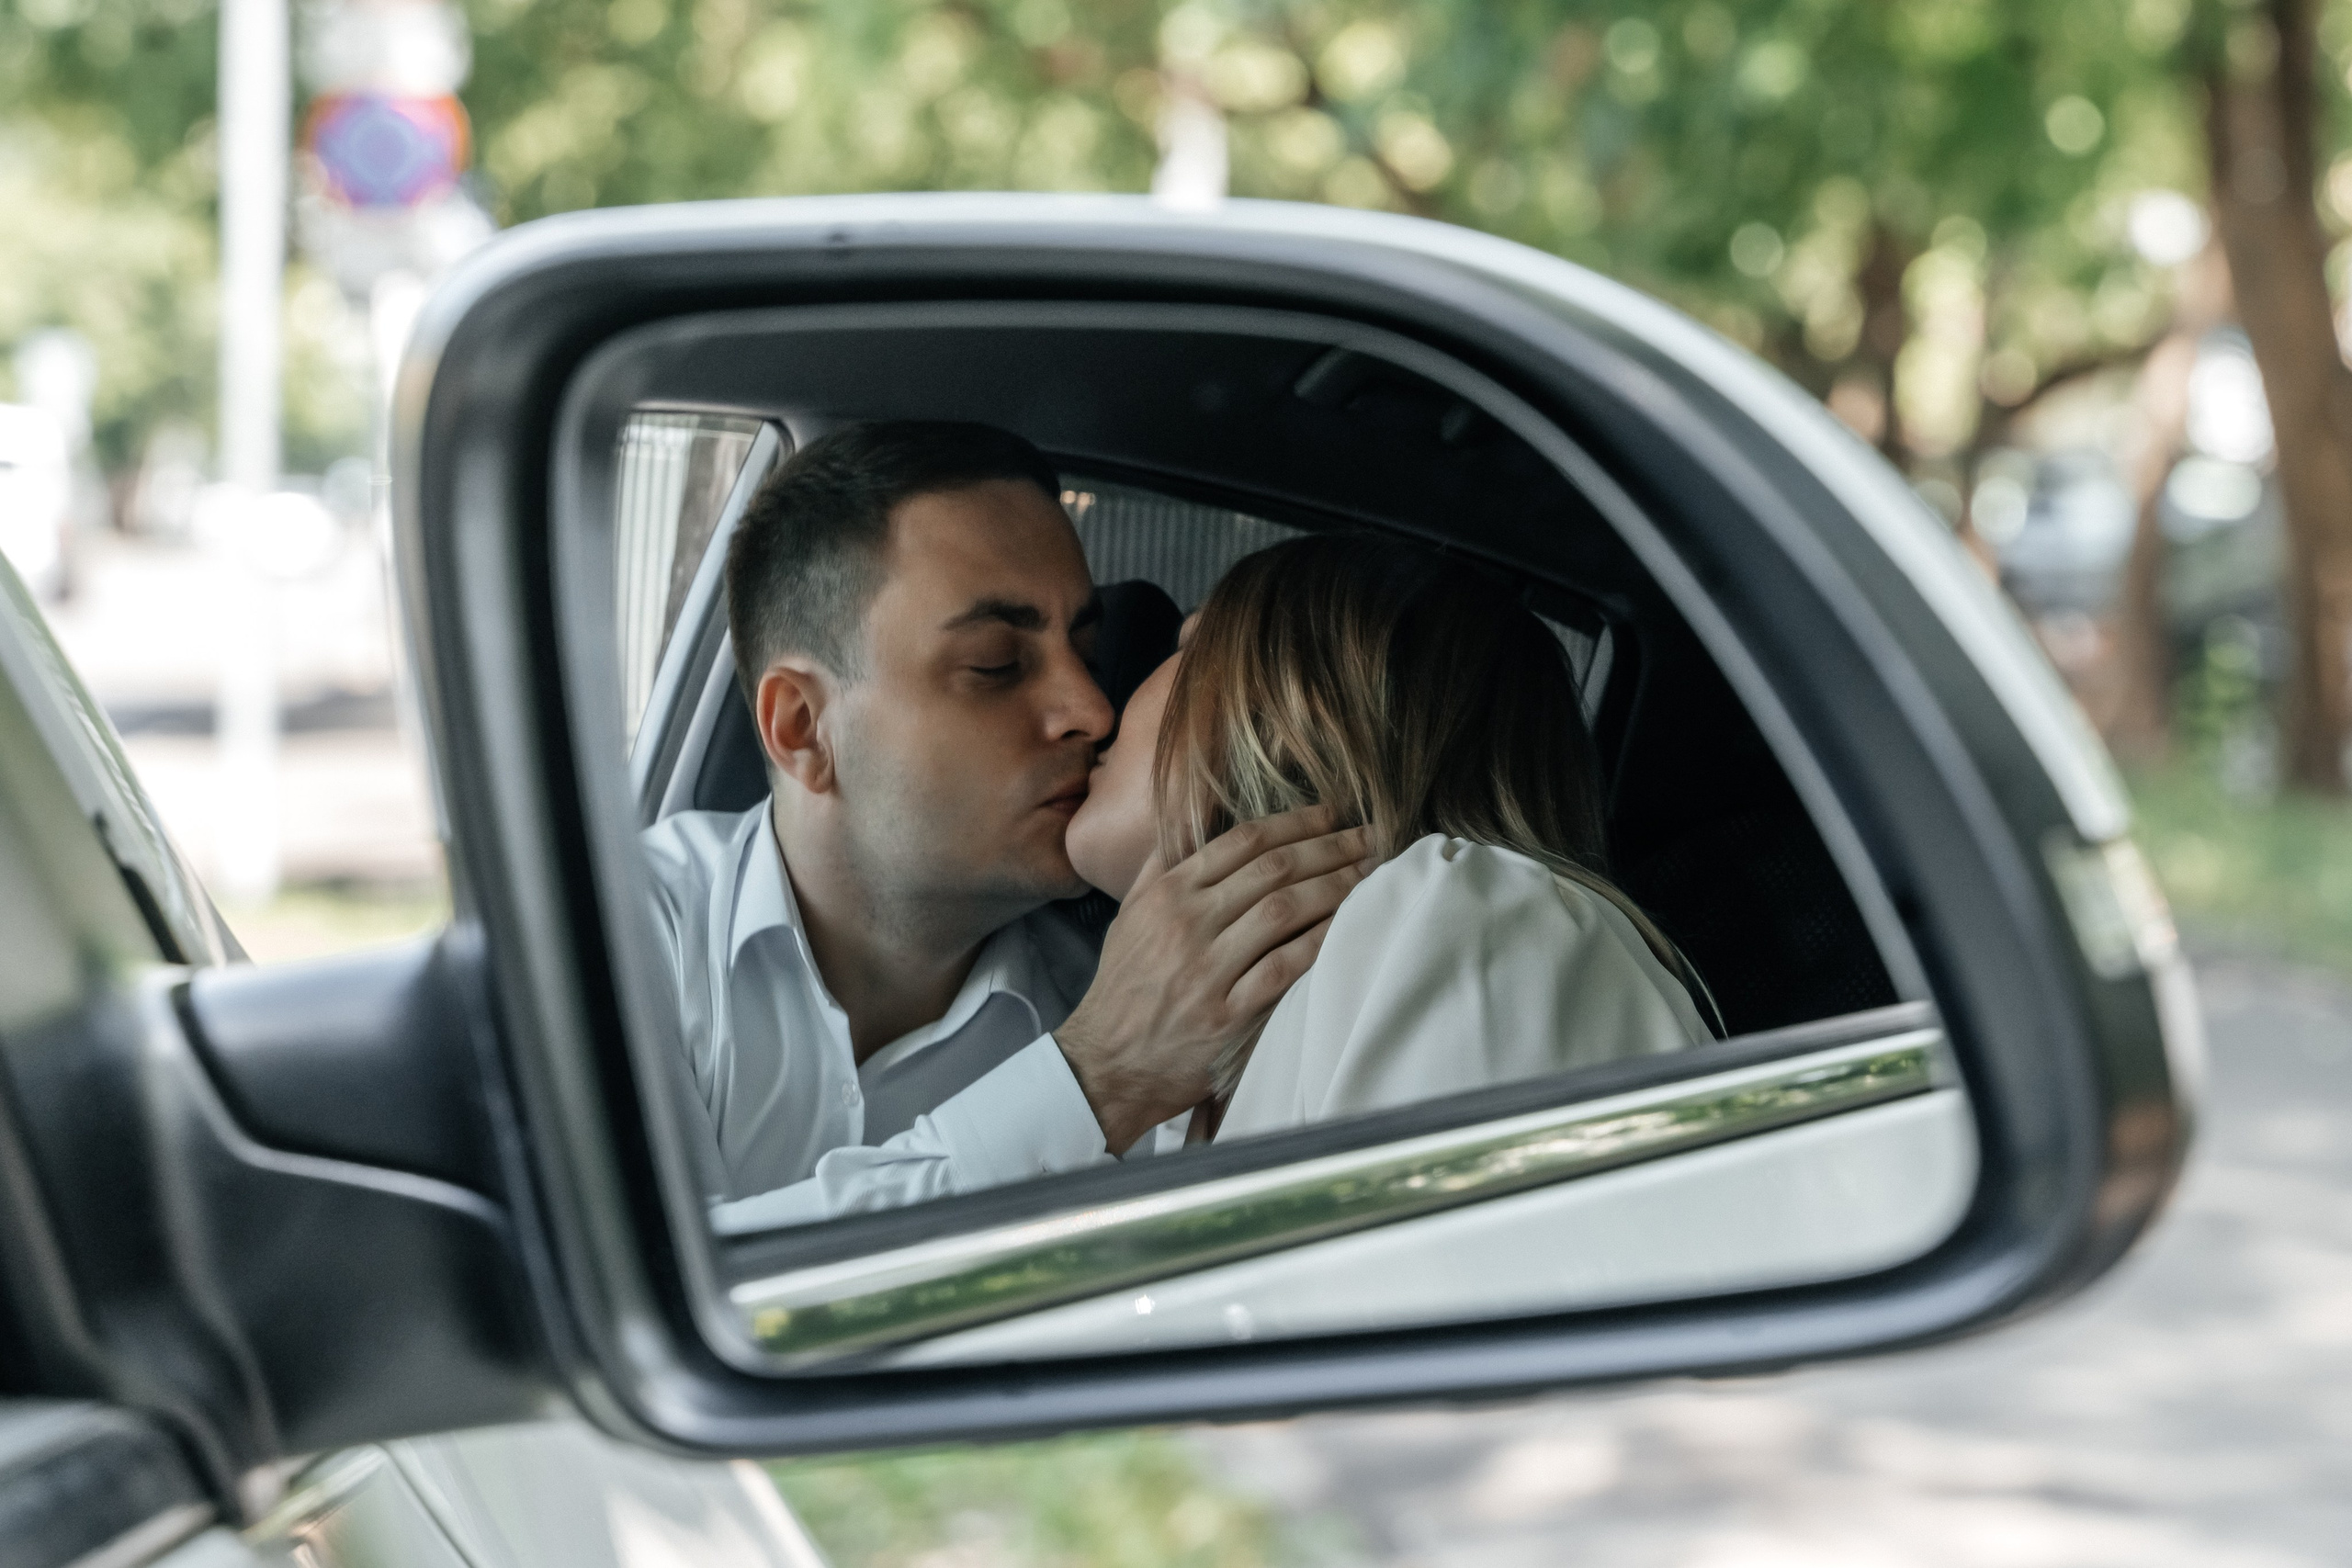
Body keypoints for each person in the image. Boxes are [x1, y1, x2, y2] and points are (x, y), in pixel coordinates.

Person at [644, 422, 1374, 1231]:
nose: (1093, 711)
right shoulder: (610, 939)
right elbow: (645, 1295)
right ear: (804, 727)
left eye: (1089, 653)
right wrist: (1090, 1084)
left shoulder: (1161, 1001)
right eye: (996, 664)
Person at [1065, 533, 1715, 1143]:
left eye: (1190, 646)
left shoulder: (1464, 917)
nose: (1103, 701)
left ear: (1300, 715)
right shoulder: (1197, 1056)